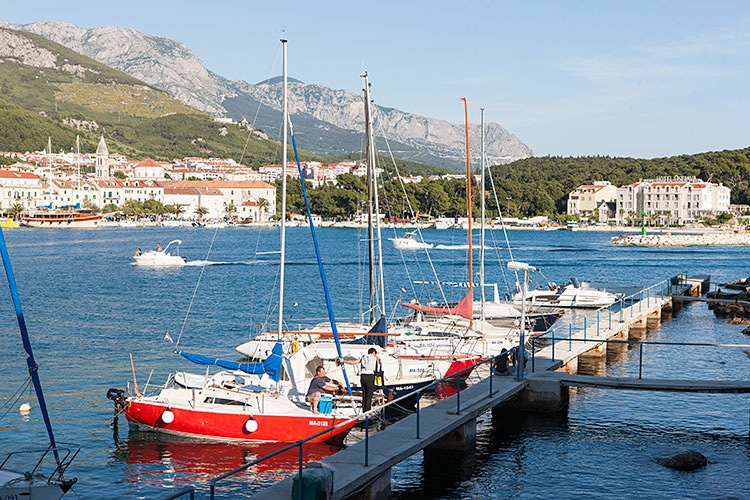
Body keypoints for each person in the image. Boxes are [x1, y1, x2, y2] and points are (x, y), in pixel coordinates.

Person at [339, 347, 380, 412]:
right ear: (374, 353)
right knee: (369, 395)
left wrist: (343, 361)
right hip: (370, 376)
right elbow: (379, 366)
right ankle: (368, 412)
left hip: (363, 376)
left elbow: (353, 362)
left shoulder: (363, 356)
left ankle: (364, 411)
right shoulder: (375, 358)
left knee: (364, 395)